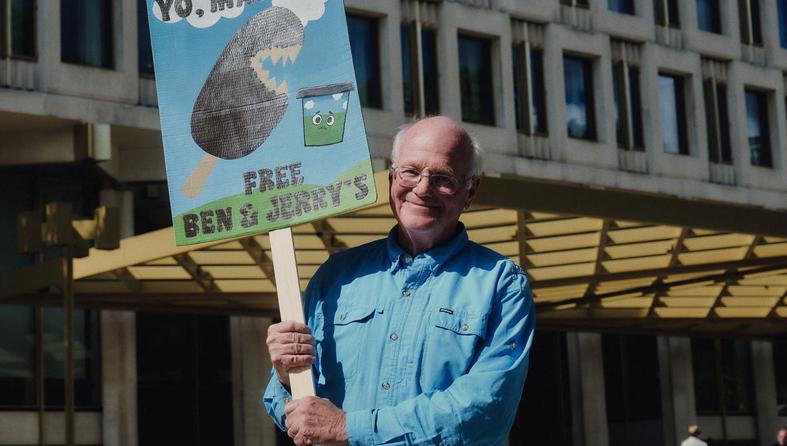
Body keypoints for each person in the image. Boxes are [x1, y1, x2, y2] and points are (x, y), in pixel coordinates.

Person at [263, 116, 535, 445]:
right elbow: (289, 409)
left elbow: (484, 411)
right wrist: (288, 374)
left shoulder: (502, 285)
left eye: (443, 178)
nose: (422, 188)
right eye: (410, 172)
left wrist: (348, 428)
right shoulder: (336, 276)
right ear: (393, 177)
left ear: (470, 191)